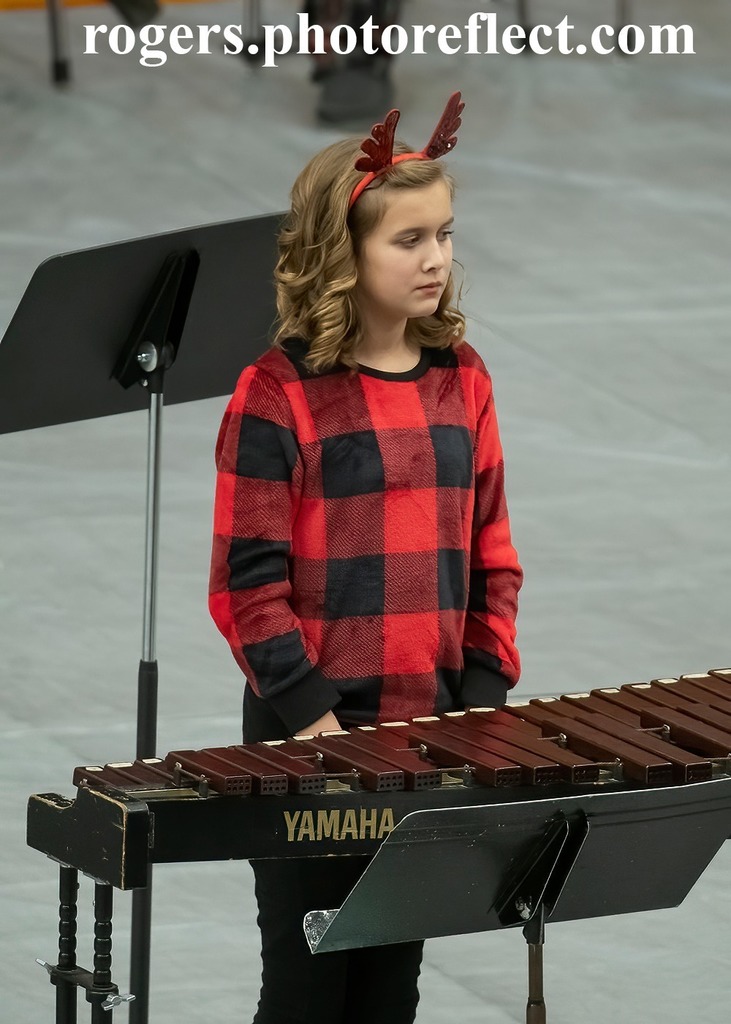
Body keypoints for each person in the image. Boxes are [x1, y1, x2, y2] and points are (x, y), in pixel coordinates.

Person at [208, 91, 523, 1024]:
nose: (436, 258)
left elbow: (492, 551)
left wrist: (479, 694)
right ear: (341, 253)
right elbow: (245, 583)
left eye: (444, 234)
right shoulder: (275, 394)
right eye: (407, 239)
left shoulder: (461, 377)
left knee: (390, 990)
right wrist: (311, 717)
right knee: (307, 993)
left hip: (422, 737)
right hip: (309, 746)